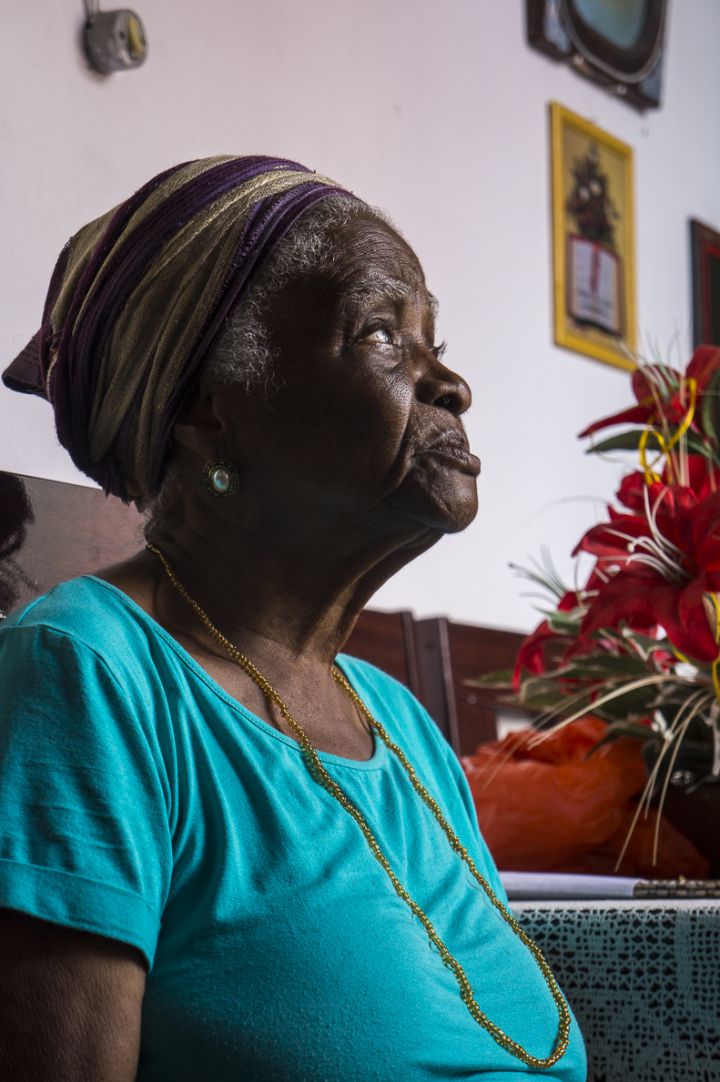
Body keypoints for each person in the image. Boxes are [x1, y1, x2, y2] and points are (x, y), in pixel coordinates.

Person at [0, 156, 586, 1081]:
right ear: (203, 410)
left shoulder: (402, 727)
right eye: (384, 335)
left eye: (437, 337)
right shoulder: (89, 677)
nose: (452, 384)